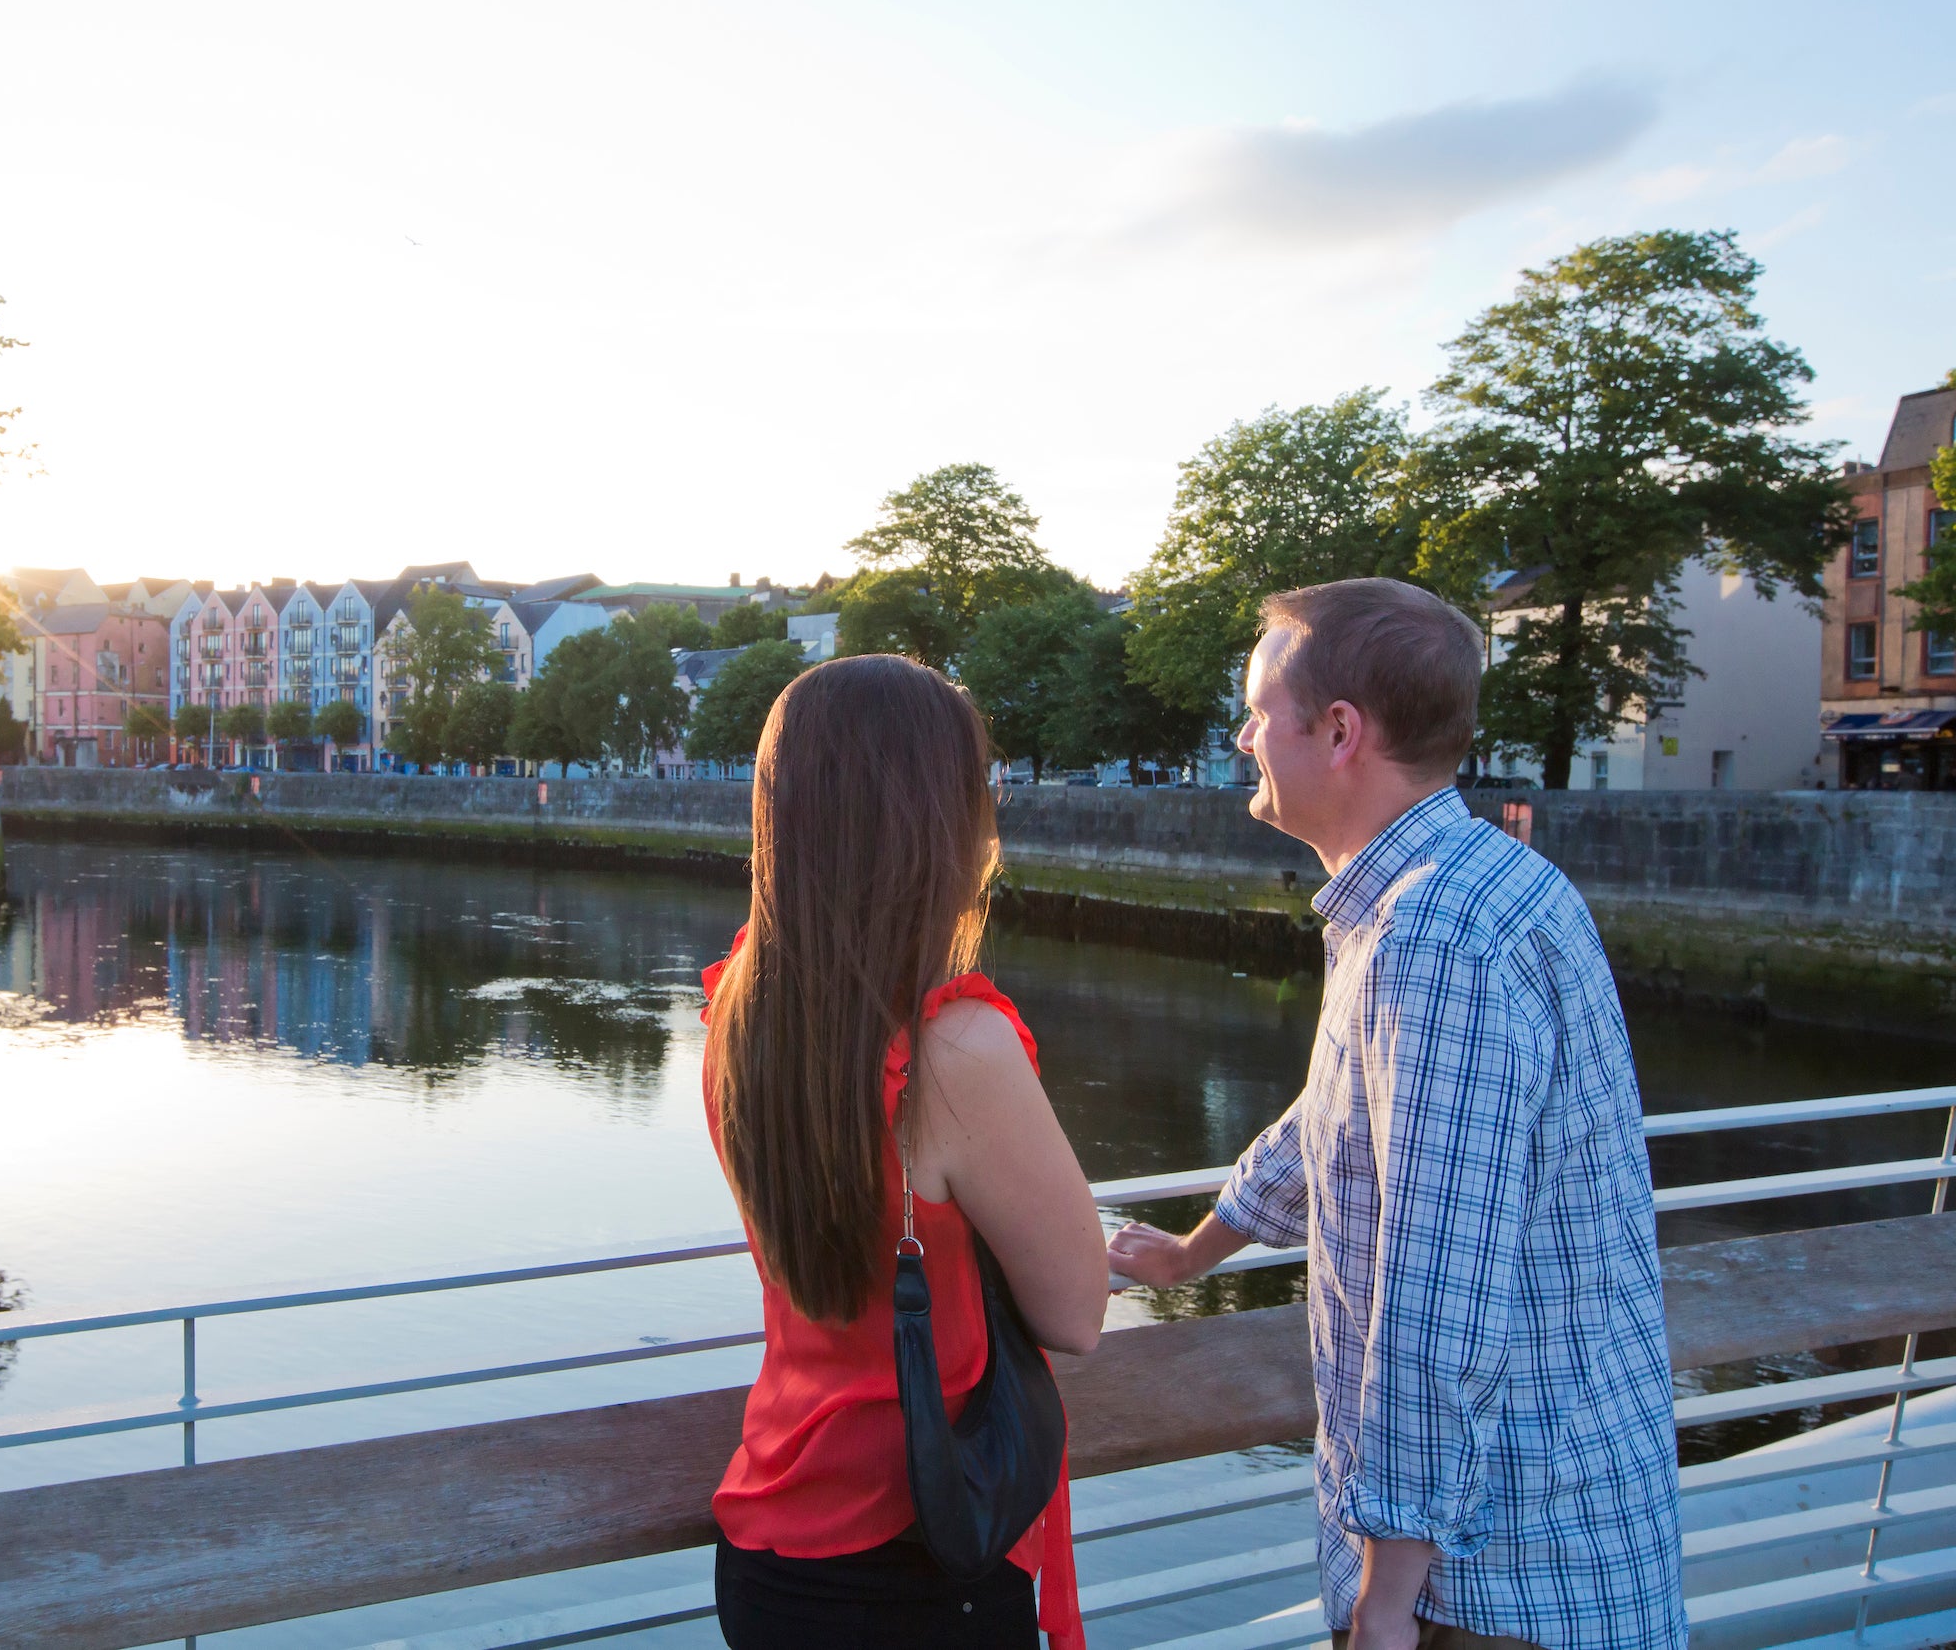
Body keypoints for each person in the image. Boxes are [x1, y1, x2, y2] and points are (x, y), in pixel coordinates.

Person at [1107, 579, 1683, 1650]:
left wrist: (1384, 1596)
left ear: (1337, 732)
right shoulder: (1480, 884)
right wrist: (1197, 1249)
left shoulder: (1429, 942)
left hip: (1489, 1583)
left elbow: (1434, 1291)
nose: (1240, 737)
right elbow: (1341, 1115)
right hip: (1560, 1528)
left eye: (1256, 711)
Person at [701, 654, 1108, 1650]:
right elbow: (1076, 1311)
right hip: (923, 1551)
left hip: (775, 1552)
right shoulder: (954, 1048)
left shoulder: (739, 1009)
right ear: (936, 816)